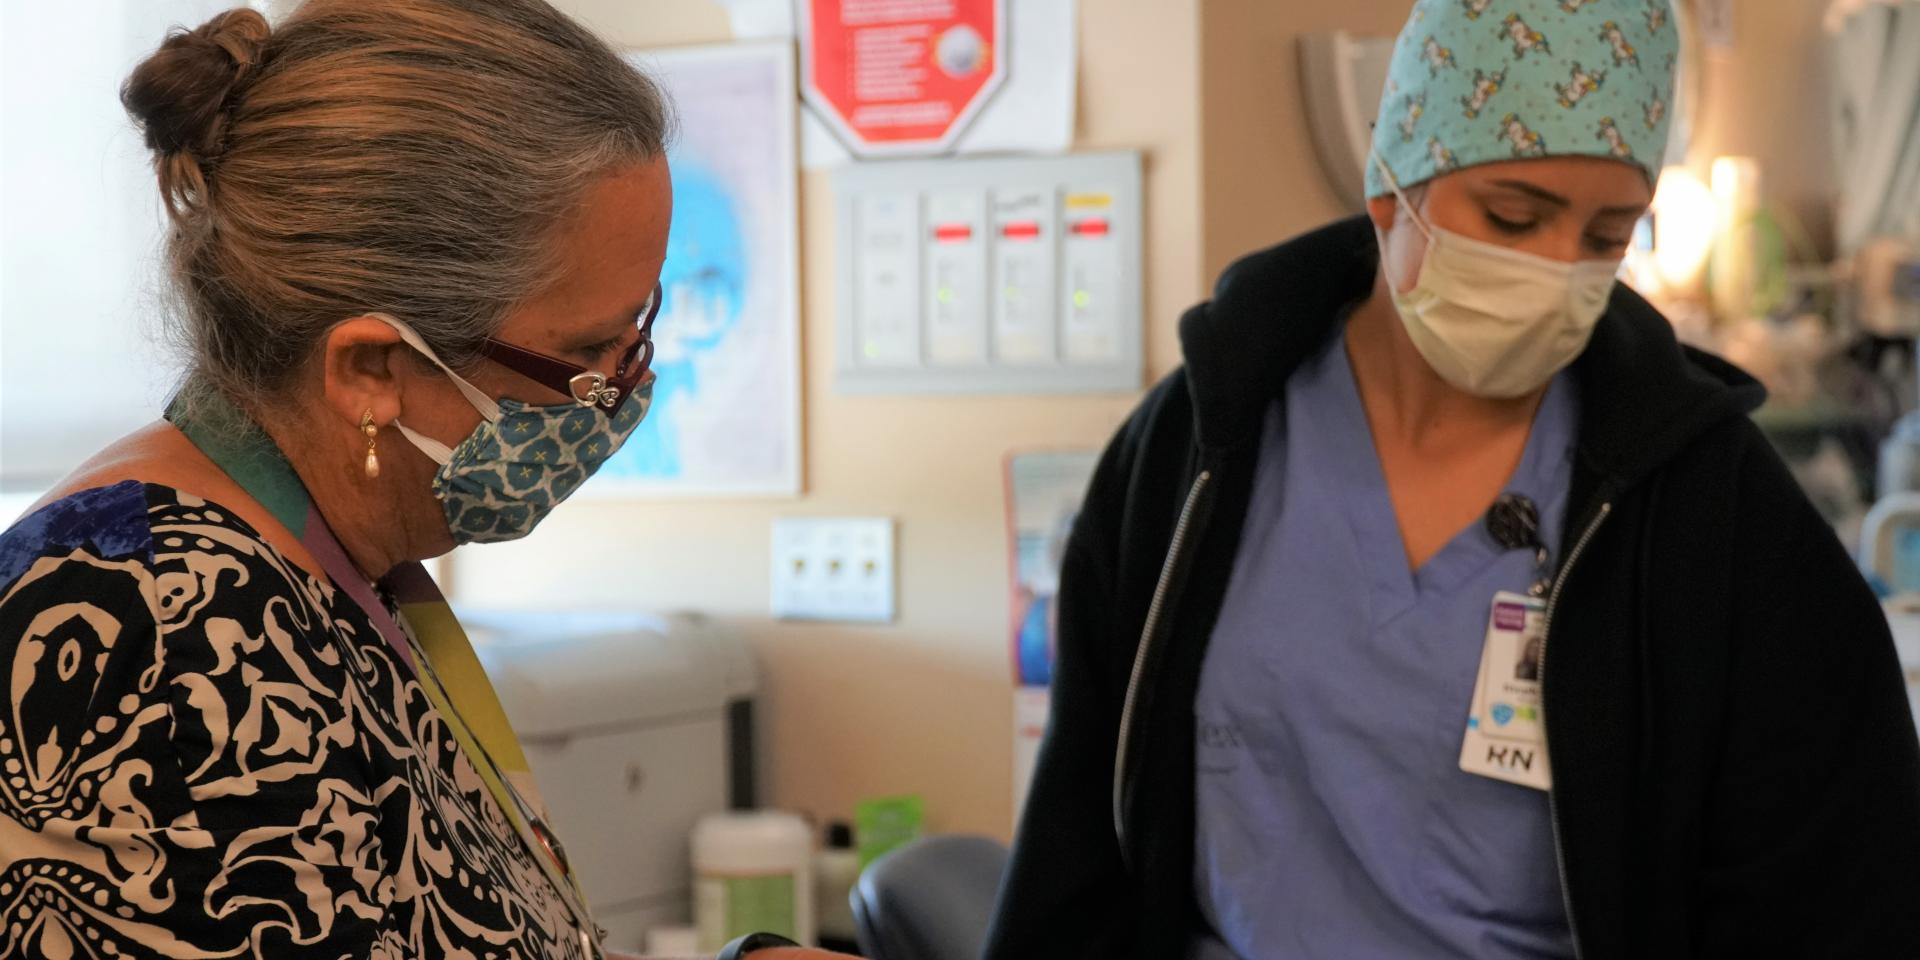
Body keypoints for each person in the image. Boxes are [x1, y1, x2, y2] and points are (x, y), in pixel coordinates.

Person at [985, 0, 1920, 957]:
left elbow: (1831, 882)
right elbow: (1082, 845)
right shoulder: (1200, 447)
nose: (1559, 274)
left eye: (1606, 237)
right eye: (1514, 217)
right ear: (1393, 192)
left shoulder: (1703, 505)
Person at [0, 3, 834, 959]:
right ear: (372, 372)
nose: (627, 389)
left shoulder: (331, 555)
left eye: (639, 326)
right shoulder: (155, 637)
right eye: (589, 354)